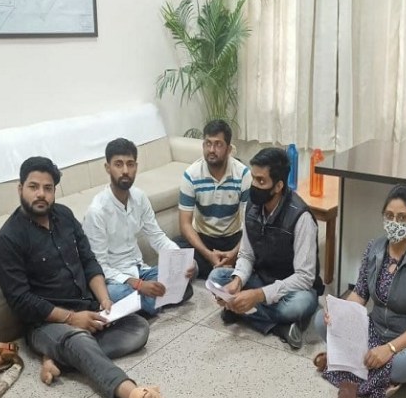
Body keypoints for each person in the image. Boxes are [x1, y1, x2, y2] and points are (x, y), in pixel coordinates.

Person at [0, 156, 164, 398]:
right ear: (20, 188)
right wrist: (72, 319)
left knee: (138, 328)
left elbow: (89, 261)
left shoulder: (64, 216)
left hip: (87, 309)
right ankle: (134, 393)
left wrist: (104, 300)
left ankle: (56, 358)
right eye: (33, 187)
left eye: (48, 188)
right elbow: (22, 301)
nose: (41, 194)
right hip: (46, 324)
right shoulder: (6, 241)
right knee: (78, 340)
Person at [313, 184, 406, 398]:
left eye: (403, 217)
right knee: (321, 320)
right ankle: (374, 373)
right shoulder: (374, 248)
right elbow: (359, 294)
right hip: (374, 330)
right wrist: (338, 313)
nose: (395, 223)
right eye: (389, 216)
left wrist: (389, 349)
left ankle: (344, 362)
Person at [207, 147, 323, 349]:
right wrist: (237, 281)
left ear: (278, 186)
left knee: (299, 305)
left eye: (261, 181)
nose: (254, 185)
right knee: (216, 278)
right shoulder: (251, 206)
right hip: (260, 277)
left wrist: (258, 295)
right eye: (253, 178)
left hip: (292, 288)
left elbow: (304, 277)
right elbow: (246, 254)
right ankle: (278, 327)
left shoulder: (301, 217)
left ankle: (242, 311)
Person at [82, 138, 195, 317]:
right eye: (118, 164)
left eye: (130, 164)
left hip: (141, 270)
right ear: (107, 168)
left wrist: (180, 260)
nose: (125, 171)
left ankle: (146, 305)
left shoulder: (139, 197)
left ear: (136, 166)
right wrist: (138, 285)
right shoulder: (97, 211)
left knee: (187, 271)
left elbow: (157, 236)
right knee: (118, 294)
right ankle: (158, 300)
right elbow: (99, 265)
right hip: (116, 279)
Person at [175, 120, 251, 279]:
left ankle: (216, 266)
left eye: (218, 144)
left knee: (258, 244)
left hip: (233, 238)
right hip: (203, 238)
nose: (211, 150)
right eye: (208, 143)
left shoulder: (243, 175)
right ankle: (222, 267)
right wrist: (208, 254)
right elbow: (185, 224)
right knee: (173, 248)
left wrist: (234, 253)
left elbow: (251, 224)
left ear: (229, 149)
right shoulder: (191, 175)